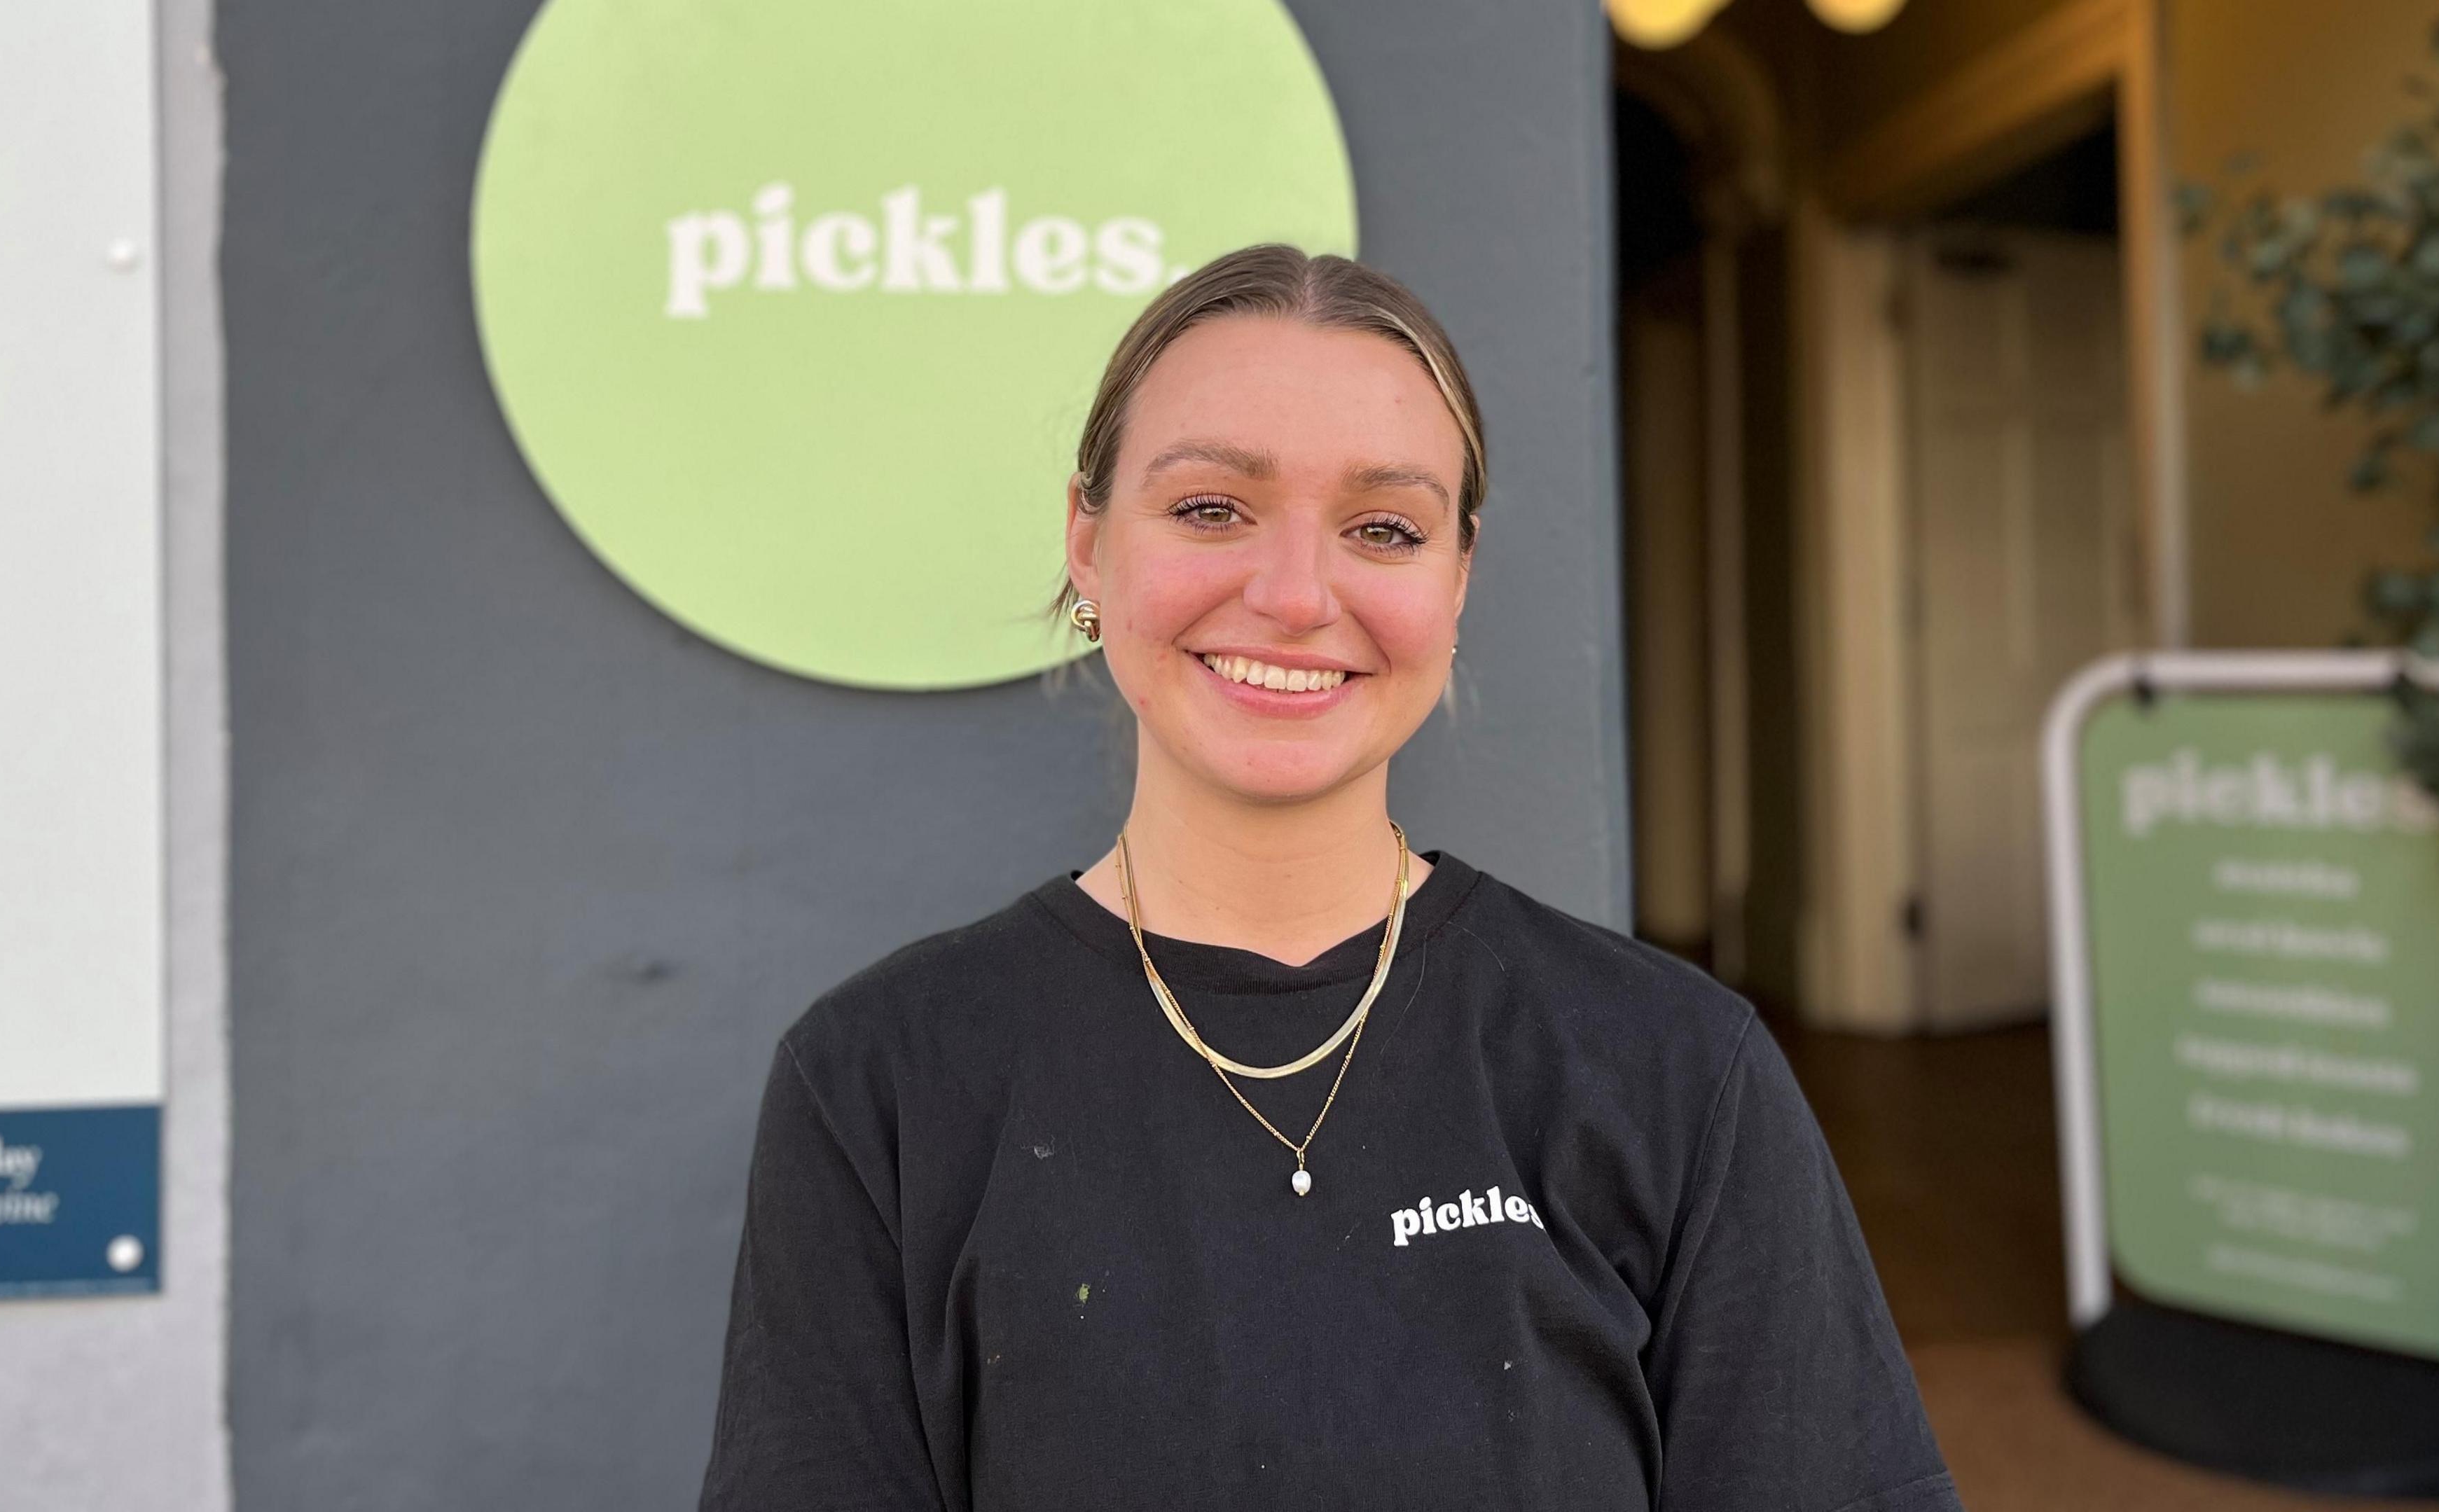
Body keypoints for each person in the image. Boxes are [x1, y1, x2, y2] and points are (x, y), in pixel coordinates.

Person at [696, 244, 1961, 1512]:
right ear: (1089, 544)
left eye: (1383, 529)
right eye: (1209, 508)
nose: (1296, 595)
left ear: (1457, 579)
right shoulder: (881, 1084)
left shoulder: (1676, 1071)